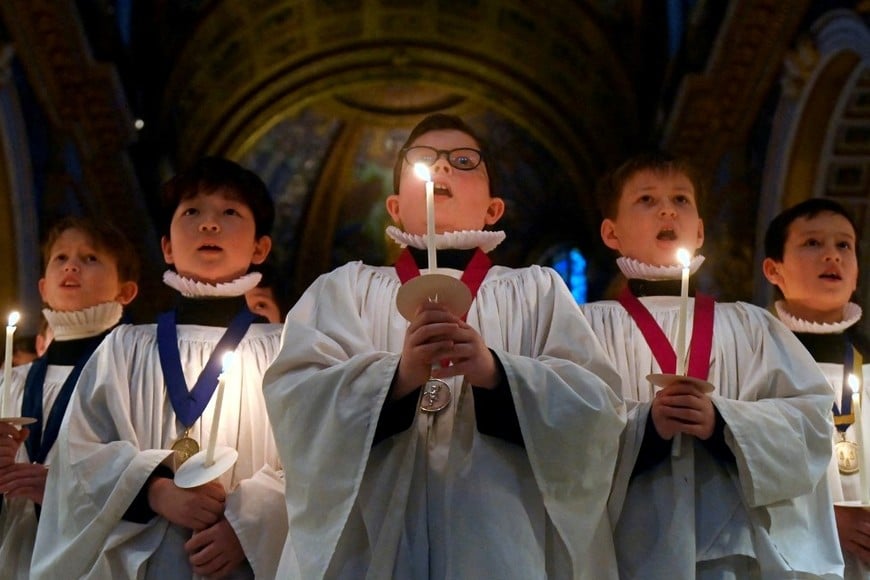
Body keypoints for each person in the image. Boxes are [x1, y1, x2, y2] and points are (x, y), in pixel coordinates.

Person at [263, 113, 626, 579]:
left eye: (463, 160)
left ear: (494, 209)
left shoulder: (538, 291)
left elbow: (595, 411)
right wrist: (396, 379)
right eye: (423, 160)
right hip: (369, 547)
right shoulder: (345, 289)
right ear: (394, 207)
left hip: (501, 537)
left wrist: (496, 374)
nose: (442, 169)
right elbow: (297, 403)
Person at [580, 151, 842, 578]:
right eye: (646, 200)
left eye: (681, 200)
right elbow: (561, 432)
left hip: (735, 553)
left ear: (699, 230)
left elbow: (810, 424)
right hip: (625, 549)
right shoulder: (585, 327)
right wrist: (646, 429)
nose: (667, 209)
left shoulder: (750, 326)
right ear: (611, 233)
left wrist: (724, 423)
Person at [32, 157, 286, 579]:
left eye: (230, 212)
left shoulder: (286, 348)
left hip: (240, 561)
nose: (209, 225)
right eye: (191, 212)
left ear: (260, 247)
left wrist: (249, 526)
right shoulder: (126, 348)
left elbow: (315, 458)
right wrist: (154, 489)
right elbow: (79, 451)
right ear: (166, 246)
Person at [0, 216, 139, 579]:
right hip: (18, 554)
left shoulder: (133, 371)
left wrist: (66, 493)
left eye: (91, 258)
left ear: (125, 292)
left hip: (97, 557)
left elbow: (144, 470)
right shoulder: (12, 382)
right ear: (44, 287)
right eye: (60, 258)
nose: (72, 265)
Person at [762, 198, 869, 578]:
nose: (832, 256)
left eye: (844, 245)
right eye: (812, 243)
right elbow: (740, 466)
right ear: (774, 270)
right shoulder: (755, 360)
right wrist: (822, 518)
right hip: (788, 560)